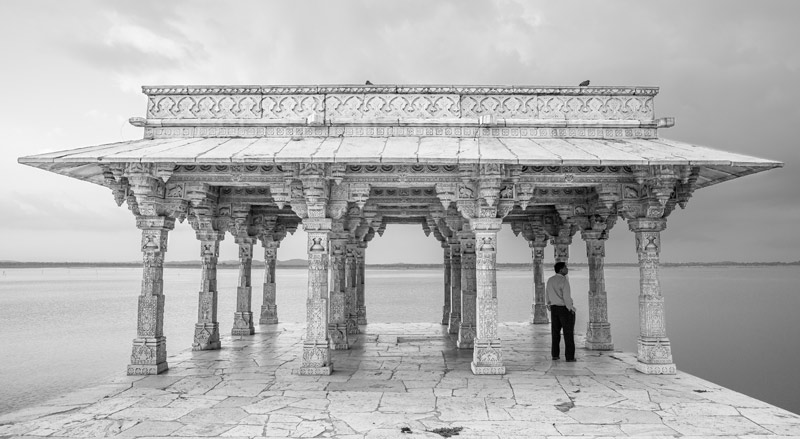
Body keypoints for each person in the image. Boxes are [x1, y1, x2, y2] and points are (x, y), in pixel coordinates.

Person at [546, 262, 576, 362]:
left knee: (555, 333)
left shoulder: (550, 280)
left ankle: (555, 355)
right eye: (565, 267)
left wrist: (548, 304)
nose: (567, 269)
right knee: (568, 333)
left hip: (554, 309)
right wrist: (571, 308)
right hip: (564, 309)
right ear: (561, 270)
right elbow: (566, 297)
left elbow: (547, 294)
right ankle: (570, 357)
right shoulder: (564, 280)